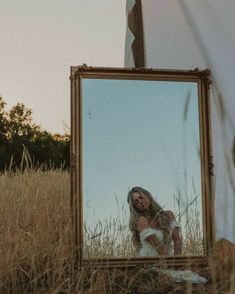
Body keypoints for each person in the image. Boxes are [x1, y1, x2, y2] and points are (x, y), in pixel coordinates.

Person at [127, 186, 182, 257]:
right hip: (150, 263)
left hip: (168, 261)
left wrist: (178, 262)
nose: (140, 202)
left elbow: (177, 241)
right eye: (136, 202)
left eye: (141, 197)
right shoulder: (141, 221)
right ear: (135, 207)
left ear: (148, 196)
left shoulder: (168, 215)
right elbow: (158, 247)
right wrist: (171, 265)